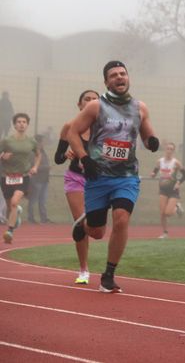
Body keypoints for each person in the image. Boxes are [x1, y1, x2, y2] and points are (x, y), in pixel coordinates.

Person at [67, 61, 159, 293]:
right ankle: (84, 225)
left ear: (128, 78)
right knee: (97, 233)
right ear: (106, 82)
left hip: (126, 176)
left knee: (121, 219)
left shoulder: (140, 108)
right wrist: (84, 158)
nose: (119, 77)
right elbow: (72, 132)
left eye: (123, 74)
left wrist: (152, 141)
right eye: (114, 75)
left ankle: (108, 275)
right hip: (98, 177)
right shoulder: (96, 107)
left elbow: (147, 135)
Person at [54, 89, 100, 284]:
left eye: (95, 99)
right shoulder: (69, 127)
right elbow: (57, 158)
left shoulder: (104, 129)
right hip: (75, 179)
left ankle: (85, 227)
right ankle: (83, 270)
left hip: (98, 181)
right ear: (80, 104)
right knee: (81, 220)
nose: (90, 102)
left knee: (95, 227)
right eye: (87, 99)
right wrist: (65, 155)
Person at [1, 113, 41, 244]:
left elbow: (38, 155)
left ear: (27, 125)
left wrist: (35, 167)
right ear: (14, 125)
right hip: (6, 177)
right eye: (19, 122)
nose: (21, 124)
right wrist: (2, 156)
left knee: (14, 202)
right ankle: (16, 215)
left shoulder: (31, 141)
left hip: (23, 176)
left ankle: (9, 232)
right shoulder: (6, 141)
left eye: (24, 122)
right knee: (10, 207)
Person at [150, 141, 185, 239]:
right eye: (168, 149)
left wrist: (178, 183)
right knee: (162, 213)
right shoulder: (160, 161)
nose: (169, 151)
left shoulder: (176, 162)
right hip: (163, 189)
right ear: (165, 149)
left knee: (168, 213)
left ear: (173, 151)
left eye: (171, 149)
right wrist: (153, 174)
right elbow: (155, 171)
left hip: (173, 190)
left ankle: (177, 207)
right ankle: (165, 233)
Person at [28, 134, 53, 223]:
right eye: (42, 141)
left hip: (44, 180)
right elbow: (32, 166)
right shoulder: (32, 153)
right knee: (33, 200)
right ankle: (31, 218)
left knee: (43, 200)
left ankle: (44, 218)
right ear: (38, 142)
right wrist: (46, 167)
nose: (44, 143)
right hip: (36, 180)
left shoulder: (43, 151)